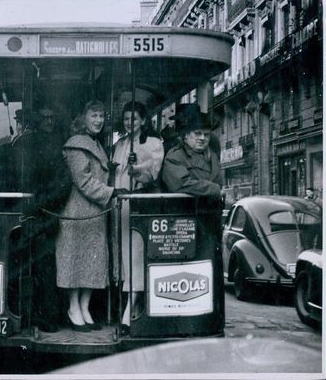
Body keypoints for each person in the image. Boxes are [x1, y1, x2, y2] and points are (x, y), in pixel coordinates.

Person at [55, 100, 126, 332]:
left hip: (94, 214)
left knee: (92, 265)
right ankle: (73, 308)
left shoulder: (94, 143)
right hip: (77, 214)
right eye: (94, 115)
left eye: (102, 116)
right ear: (83, 118)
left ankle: (84, 308)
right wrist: (111, 191)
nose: (99, 120)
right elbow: (83, 181)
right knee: (76, 264)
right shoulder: (77, 145)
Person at [11, 105, 70, 333]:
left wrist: (43, 203)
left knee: (41, 267)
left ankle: (42, 316)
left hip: (40, 215)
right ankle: (37, 315)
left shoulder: (39, 145)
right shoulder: (32, 145)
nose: (49, 121)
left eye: (51, 117)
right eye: (44, 117)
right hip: (36, 214)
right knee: (36, 267)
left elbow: (63, 183)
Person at [111, 102, 164, 335]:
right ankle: (129, 304)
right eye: (126, 118)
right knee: (122, 255)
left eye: (134, 118)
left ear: (143, 120)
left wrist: (136, 168)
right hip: (118, 207)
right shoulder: (119, 145)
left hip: (139, 204)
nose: (129, 122)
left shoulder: (152, 143)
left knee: (135, 255)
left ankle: (130, 310)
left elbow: (153, 172)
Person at [162, 103, 223, 198]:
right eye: (197, 133)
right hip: (187, 210)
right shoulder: (174, 156)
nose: (202, 138)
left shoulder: (212, 154)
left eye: (206, 134)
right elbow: (180, 184)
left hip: (212, 210)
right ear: (185, 134)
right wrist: (214, 189)